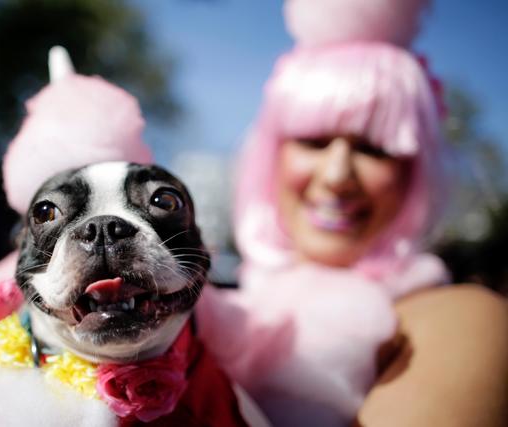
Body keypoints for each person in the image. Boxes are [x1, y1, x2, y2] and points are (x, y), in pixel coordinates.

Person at [197, 0, 508, 425]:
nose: (338, 175)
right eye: (314, 141)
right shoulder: (217, 305)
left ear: (414, 170)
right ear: (272, 154)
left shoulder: (462, 321)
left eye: (373, 148)